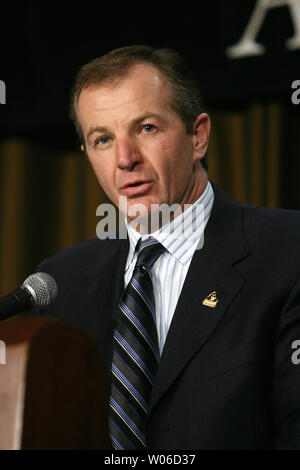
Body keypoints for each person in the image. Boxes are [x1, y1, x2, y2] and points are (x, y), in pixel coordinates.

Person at [31, 45, 300, 450]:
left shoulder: (287, 250)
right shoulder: (58, 284)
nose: (125, 159)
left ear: (198, 136)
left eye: (146, 129)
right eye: (103, 139)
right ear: (87, 154)